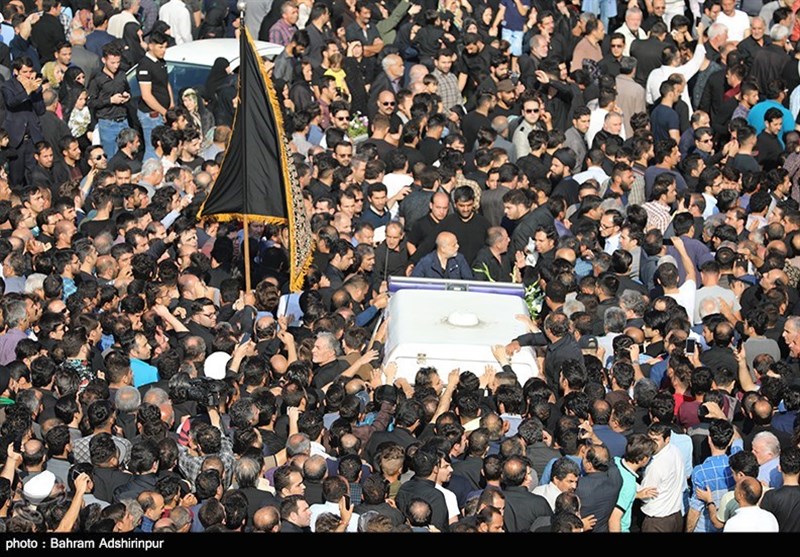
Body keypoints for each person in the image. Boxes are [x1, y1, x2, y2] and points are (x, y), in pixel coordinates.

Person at [136, 31, 172, 162]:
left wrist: (171, 104)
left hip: (163, 112)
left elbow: (165, 82)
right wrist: (164, 112)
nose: (164, 50)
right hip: (152, 115)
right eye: (160, 47)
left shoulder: (161, 62)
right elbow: (146, 95)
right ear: (151, 46)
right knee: (153, 150)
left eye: (165, 47)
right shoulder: (145, 66)